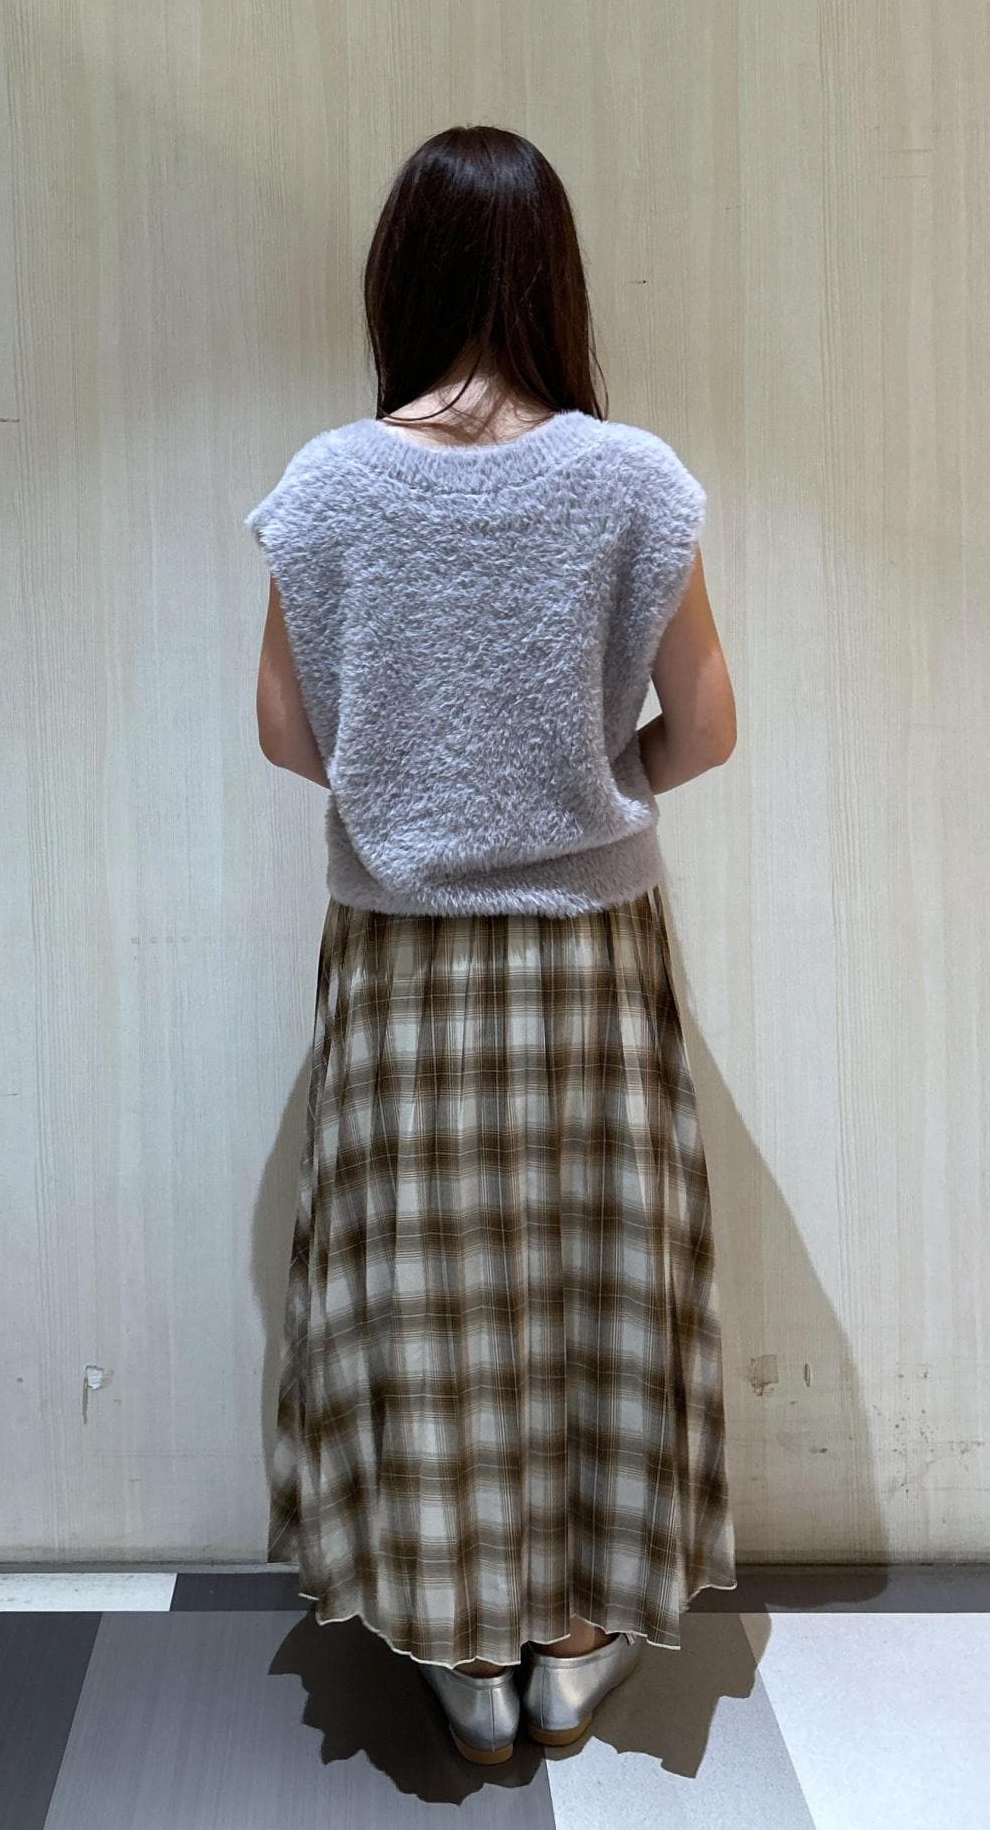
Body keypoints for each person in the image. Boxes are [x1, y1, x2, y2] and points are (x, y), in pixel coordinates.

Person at [243, 124, 738, 1766]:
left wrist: (416, 784)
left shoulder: (328, 485)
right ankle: (580, 1638)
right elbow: (709, 729)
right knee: (600, 1287)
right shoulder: (633, 479)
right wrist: (589, 785)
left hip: (403, 968)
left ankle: (460, 1647)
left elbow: (286, 734)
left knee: (424, 1301)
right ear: (552, 279)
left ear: (401, 278)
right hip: (587, 963)